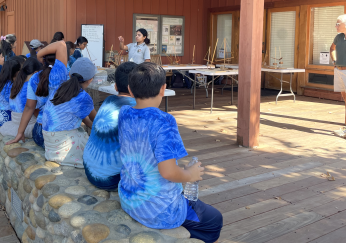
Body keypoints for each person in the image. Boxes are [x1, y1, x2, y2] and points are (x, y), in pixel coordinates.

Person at [118, 63, 222, 242]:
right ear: (163, 89)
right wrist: (190, 174)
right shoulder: (164, 121)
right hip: (158, 210)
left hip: (128, 198)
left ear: (130, 90)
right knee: (214, 219)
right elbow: (168, 172)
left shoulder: (124, 112)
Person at [83, 62, 137, 190]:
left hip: (89, 168)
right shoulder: (136, 108)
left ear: (116, 86)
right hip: (111, 179)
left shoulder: (108, 100)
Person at [6, 41, 69, 147]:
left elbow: (29, 108)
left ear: (42, 61)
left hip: (39, 133)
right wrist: (40, 54)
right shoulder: (61, 73)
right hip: (60, 132)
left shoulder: (34, 78)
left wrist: (20, 133)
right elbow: (61, 44)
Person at [42, 57, 97, 167]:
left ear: (70, 73)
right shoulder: (83, 97)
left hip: (49, 144)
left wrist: (92, 126)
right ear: (90, 79)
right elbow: (96, 120)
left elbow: (81, 116)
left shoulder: (60, 88)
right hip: (63, 144)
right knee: (96, 154)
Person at [5, 57, 43, 138]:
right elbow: (34, 111)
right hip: (27, 124)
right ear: (36, 73)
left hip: (14, 120)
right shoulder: (30, 86)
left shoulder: (16, 84)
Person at [0, 57, 25, 127]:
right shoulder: (11, 86)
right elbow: (16, 106)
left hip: (1, 117)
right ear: (16, 72)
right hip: (8, 119)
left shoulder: (1, 82)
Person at [331, 14, 346, 127]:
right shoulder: (339, 37)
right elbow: (332, 48)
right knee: (345, 100)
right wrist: (335, 61)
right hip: (339, 70)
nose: (336, 26)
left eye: (338, 24)